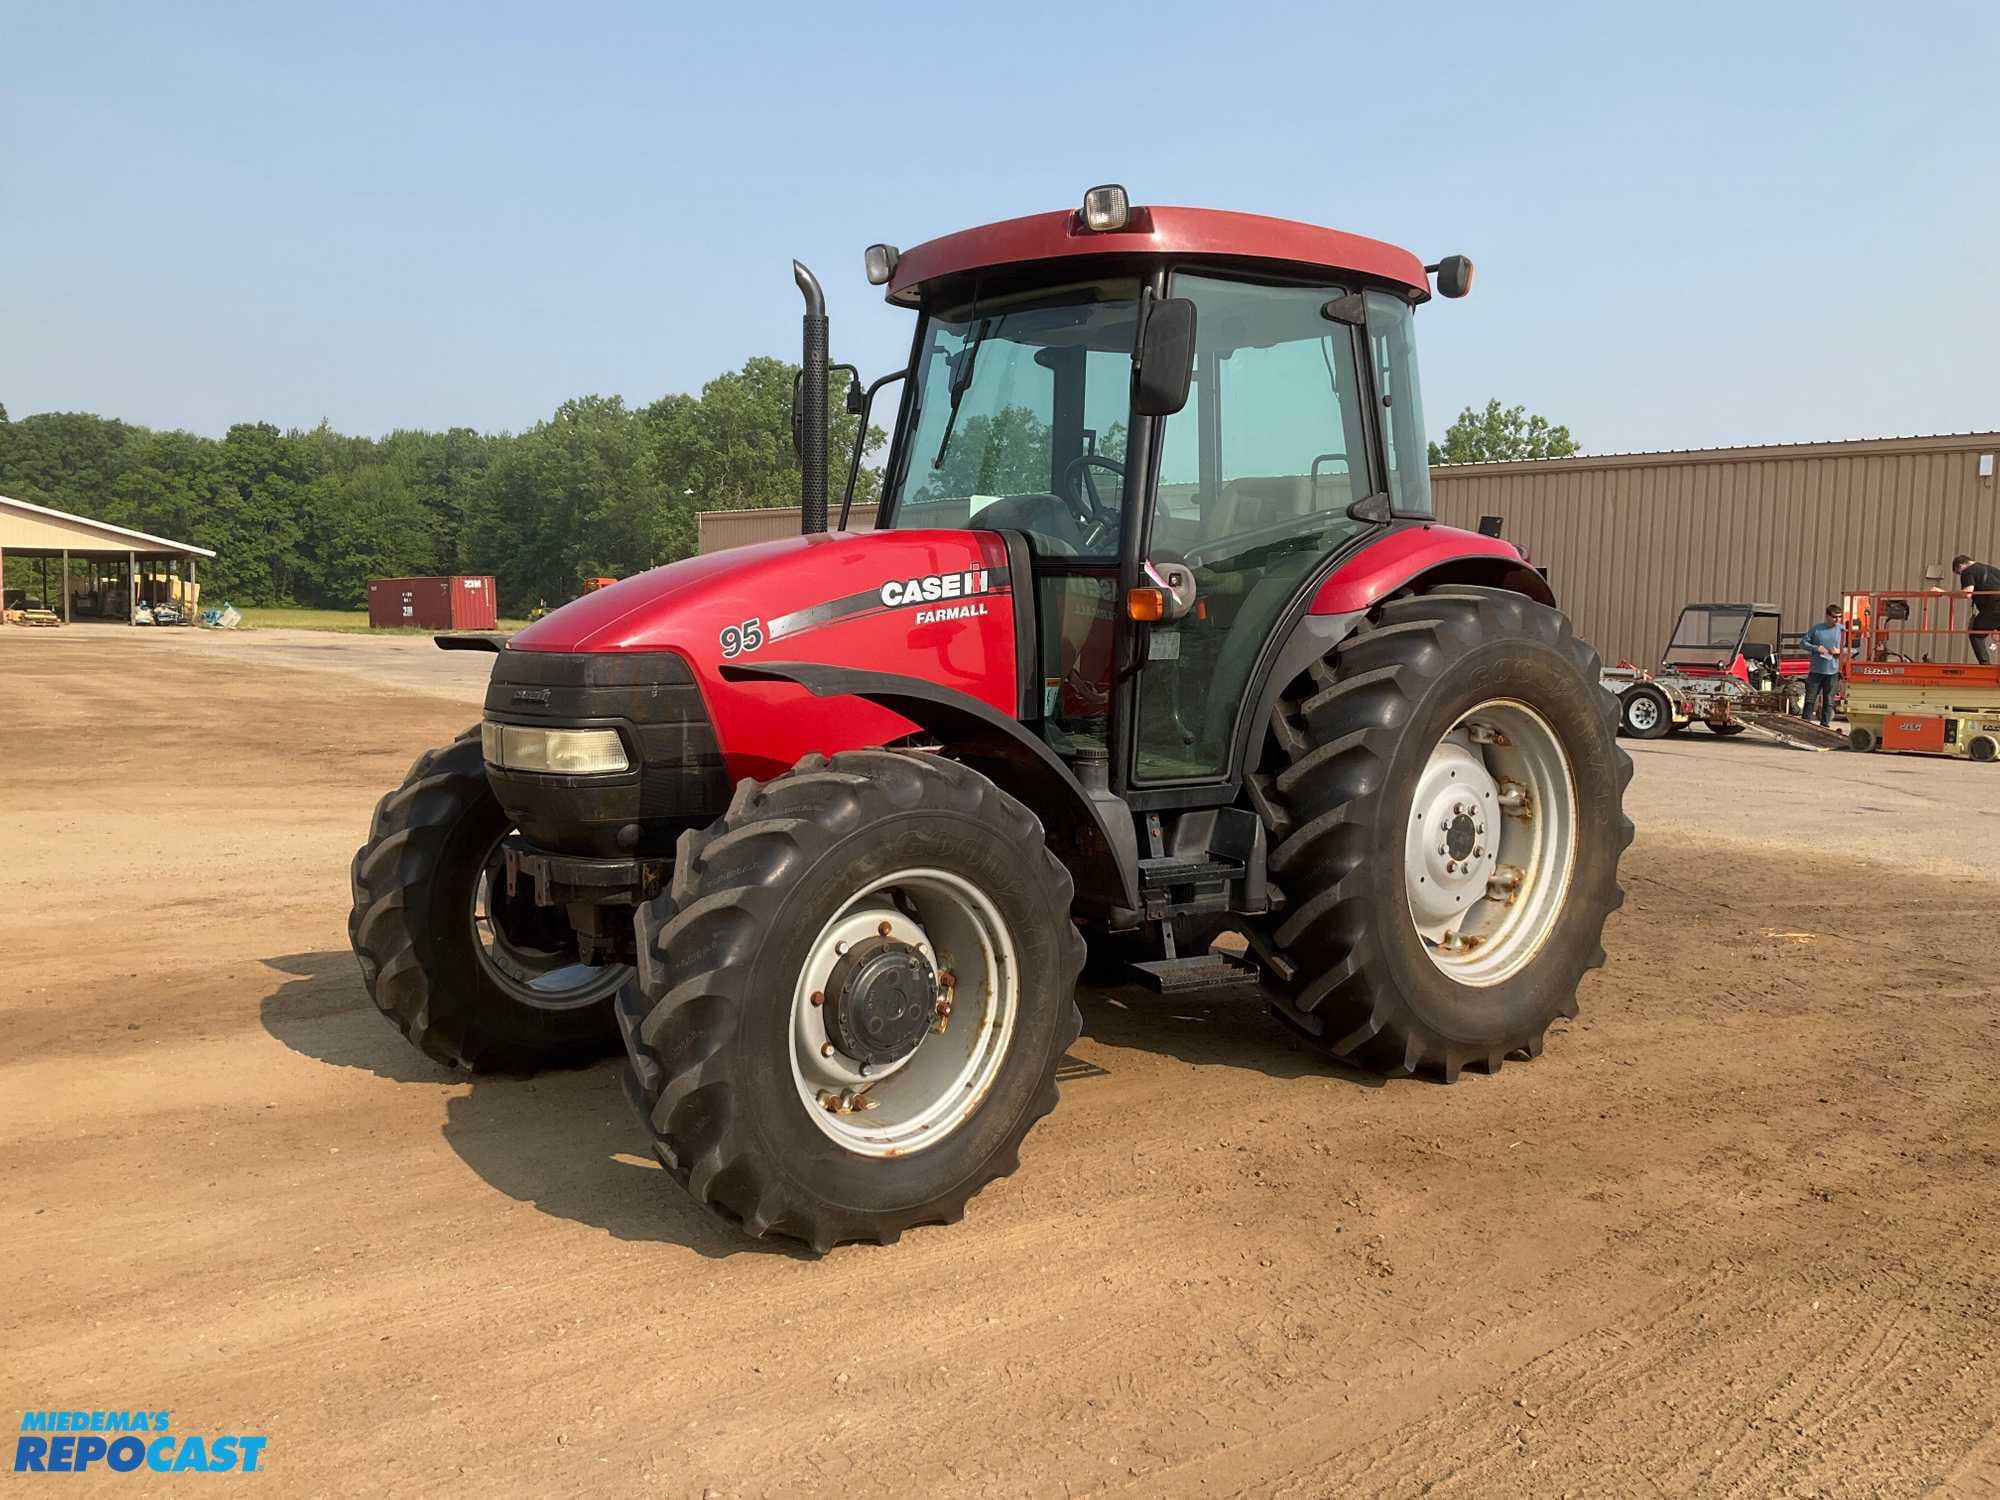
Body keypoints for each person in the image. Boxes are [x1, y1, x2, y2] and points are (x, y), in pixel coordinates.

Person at [1952, 553, 2000, 666]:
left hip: (1995, 607)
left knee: (1976, 634)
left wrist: (1945, 593)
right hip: (1994, 608)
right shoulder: (1992, 569)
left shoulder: (1968, 571)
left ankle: (1985, 666)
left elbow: (1967, 593)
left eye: (1958, 572)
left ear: (1960, 566)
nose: (1960, 575)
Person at [1800, 603, 1842, 727]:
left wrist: (1840, 651)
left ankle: (1825, 725)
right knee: (1810, 699)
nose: (1837, 620)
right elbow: (1803, 643)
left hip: (1833, 672)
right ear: (1827, 616)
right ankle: (1805, 724)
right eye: (1834, 617)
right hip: (1816, 671)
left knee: (1829, 701)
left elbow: (1853, 649)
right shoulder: (1817, 629)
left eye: (1839, 617)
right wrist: (1816, 648)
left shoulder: (1842, 630)